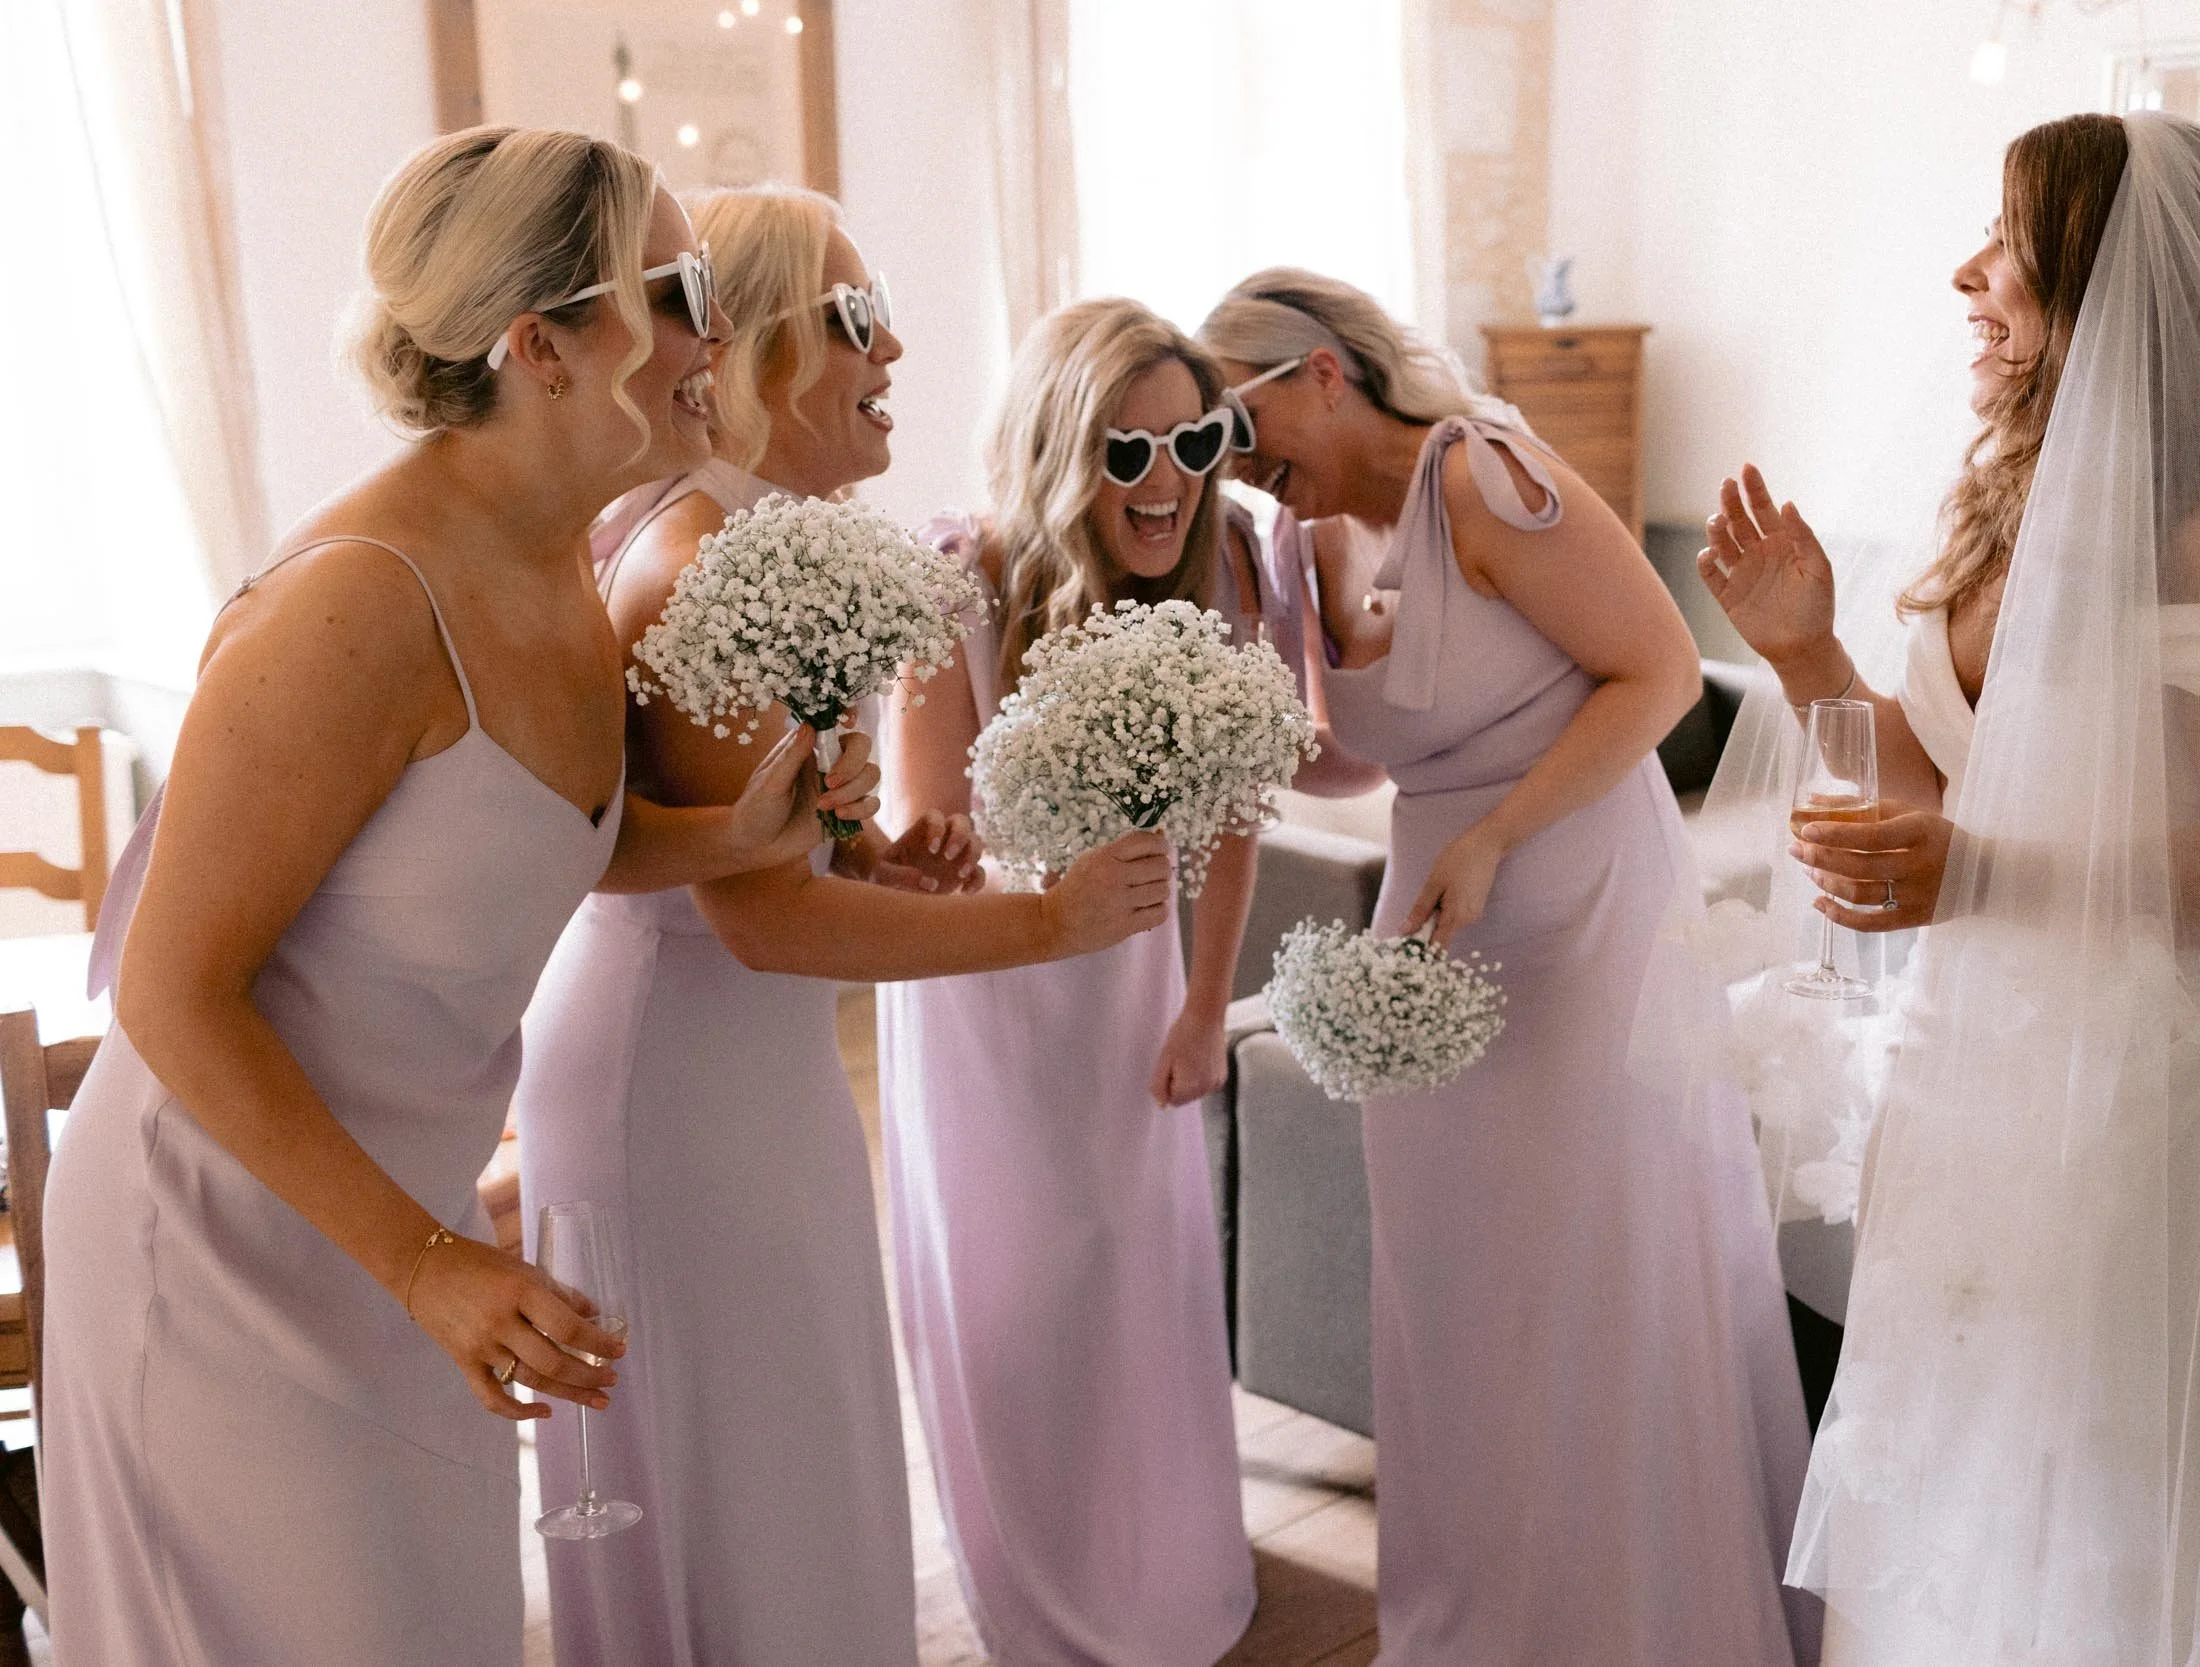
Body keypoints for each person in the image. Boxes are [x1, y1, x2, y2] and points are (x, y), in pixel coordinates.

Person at [39, 127, 869, 1663]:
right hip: (225, 1228)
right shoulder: (359, 598)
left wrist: (742, 836)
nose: (715, 334)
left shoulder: (560, 556)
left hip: (399, 1224)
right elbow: (168, 989)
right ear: (539, 345)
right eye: (677, 289)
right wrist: (424, 1262)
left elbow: (509, 842)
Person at [1703, 112, 2200, 1664]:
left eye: (2007, 244)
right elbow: (1963, 782)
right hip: (1989, 1061)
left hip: (2155, 1087)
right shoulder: (2021, 497)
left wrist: (1976, 872)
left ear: (2106, 279)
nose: (1969, 273)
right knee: (1951, 1457)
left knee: (2091, 1486)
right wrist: (1805, 649)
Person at [515, 186, 1175, 1667]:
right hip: (679, 1078)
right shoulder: (721, 559)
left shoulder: (743, 536)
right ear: (747, 351)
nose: (898, 345)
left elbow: (732, 835)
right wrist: (1045, 924)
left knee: (778, 1460)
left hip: (725, 1065)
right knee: (747, 1475)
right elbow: (755, 922)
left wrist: (872, 850)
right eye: (857, 318)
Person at [1201, 269, 1817, 1666]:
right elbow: (1369, 747)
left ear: (1319, 373)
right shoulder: (1296, 548)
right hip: (1433, 934)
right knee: (1454, 1285)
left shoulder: (1479, 474)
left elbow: (1659, 673)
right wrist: (1222, 721)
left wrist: (1494, 835)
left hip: (1577, 911)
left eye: (1242, 430)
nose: (1244, 471)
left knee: (1579, 1273)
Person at [880, 295, 1366, 1665]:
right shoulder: (957, 585)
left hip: (1133, 985)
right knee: (1018, 1300)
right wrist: (1057, 866)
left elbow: (1233, 820)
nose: (1167, 482)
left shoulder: (1220, 580)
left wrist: (1209, 1004)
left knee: (1138, 1287)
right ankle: (1040, 1586)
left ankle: (1170, 1566)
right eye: (1125, 450)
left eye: (1192, 441)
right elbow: (930, 848)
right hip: (983, 993)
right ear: (1056, 449)